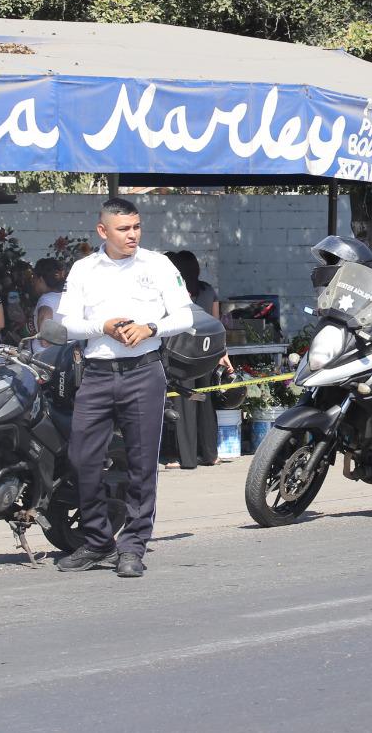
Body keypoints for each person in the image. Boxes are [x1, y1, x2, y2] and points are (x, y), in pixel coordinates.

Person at [53, 198, 195, 578]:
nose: (132, 235)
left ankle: (132, 546)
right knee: (82, 458)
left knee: (142, 463)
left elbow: (183, 314)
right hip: (97, 373)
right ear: (103, 231)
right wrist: (103, 325)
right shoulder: (84, 269)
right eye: (123, 229)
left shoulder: (158, 265)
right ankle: (98, 540)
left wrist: (150, 327)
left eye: (136, 227)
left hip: (144, 372)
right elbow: (65, 325)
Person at [165, 250, 222, 469]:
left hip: (183, 356)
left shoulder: (176, 293)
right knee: (205, 402)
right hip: (208, 354)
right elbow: (217, 324)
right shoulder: (208, 291)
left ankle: (186, 458)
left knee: (184, 404)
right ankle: (210, 454)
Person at [30, 258, 66, 352]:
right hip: (63, 353)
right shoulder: (67, 297)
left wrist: (45, 340)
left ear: (40, 279)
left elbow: (45, 317)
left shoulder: (46, 299)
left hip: (44, 357)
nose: (33, 282)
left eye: (34, 278)